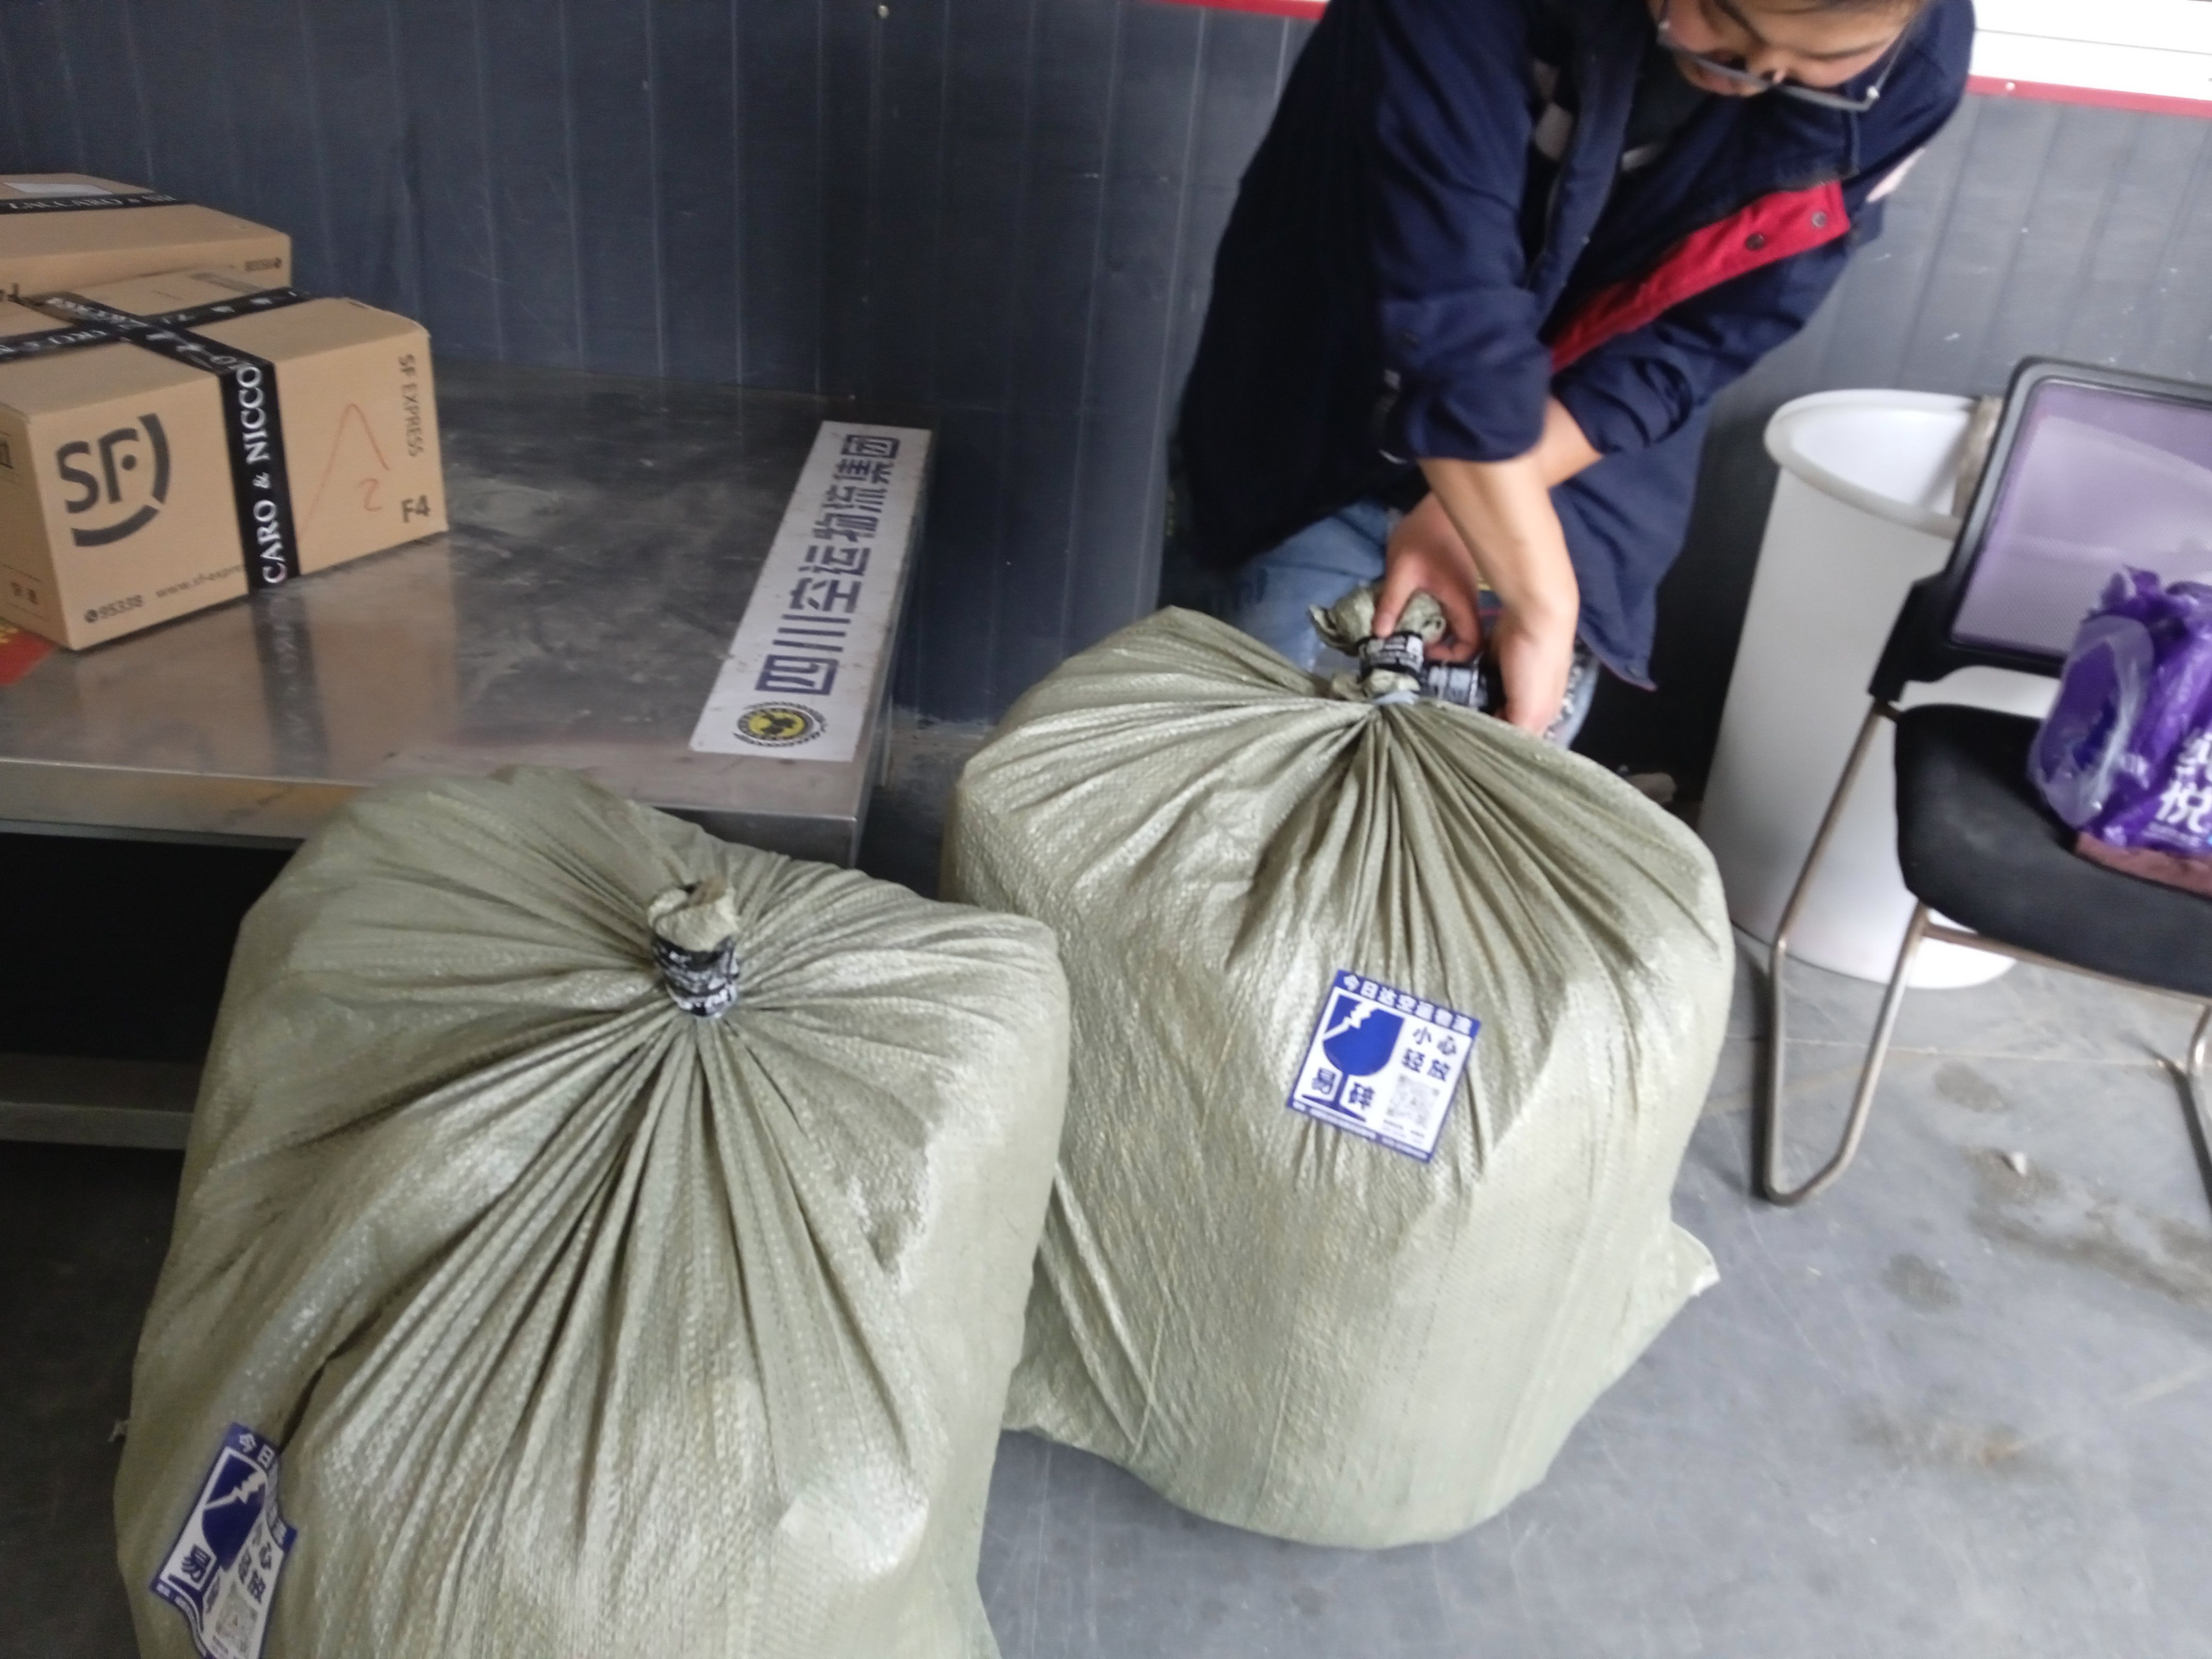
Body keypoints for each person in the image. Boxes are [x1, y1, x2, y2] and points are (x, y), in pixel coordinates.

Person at [1175, 0, 1974, 743]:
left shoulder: (1910, 74)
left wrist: (1484, 520)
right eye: (1726, 32)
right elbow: (1447, 307)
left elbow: (1699, 338)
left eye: (1816, 65)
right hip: (1326, 412)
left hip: (1581, 466)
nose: (1756, 78)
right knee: (1249, 767)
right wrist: (1541, 597)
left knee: (1494, 790)